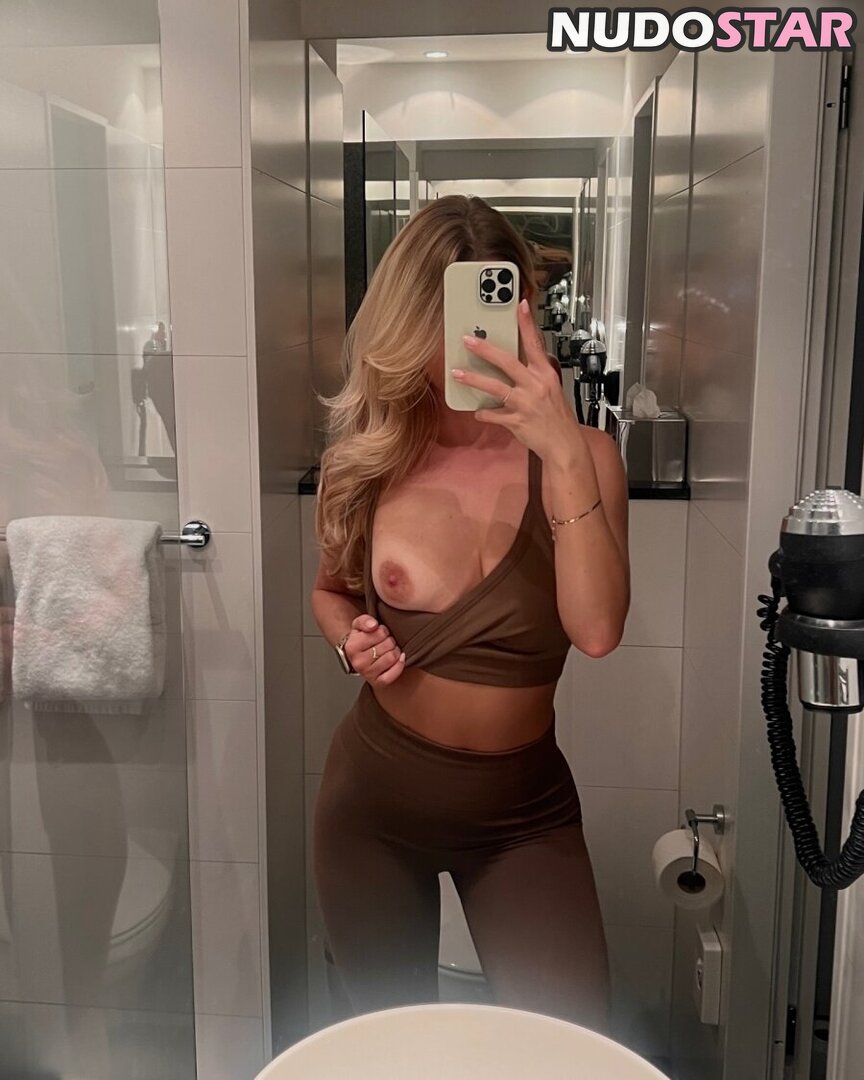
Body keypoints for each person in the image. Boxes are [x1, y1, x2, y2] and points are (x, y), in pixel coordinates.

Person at [310, 195, 630, 1030]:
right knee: (389, 1049)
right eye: (446, 319)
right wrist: (351, 640)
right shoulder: (369, 459)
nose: (469, 342)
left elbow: (598, 631)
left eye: (490, 311)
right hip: (371, 807)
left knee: (569, 1046)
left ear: (524, 312)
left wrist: (562, 451)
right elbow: (330, 591)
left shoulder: (588, 457)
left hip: (523, 817)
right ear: (408, 321)